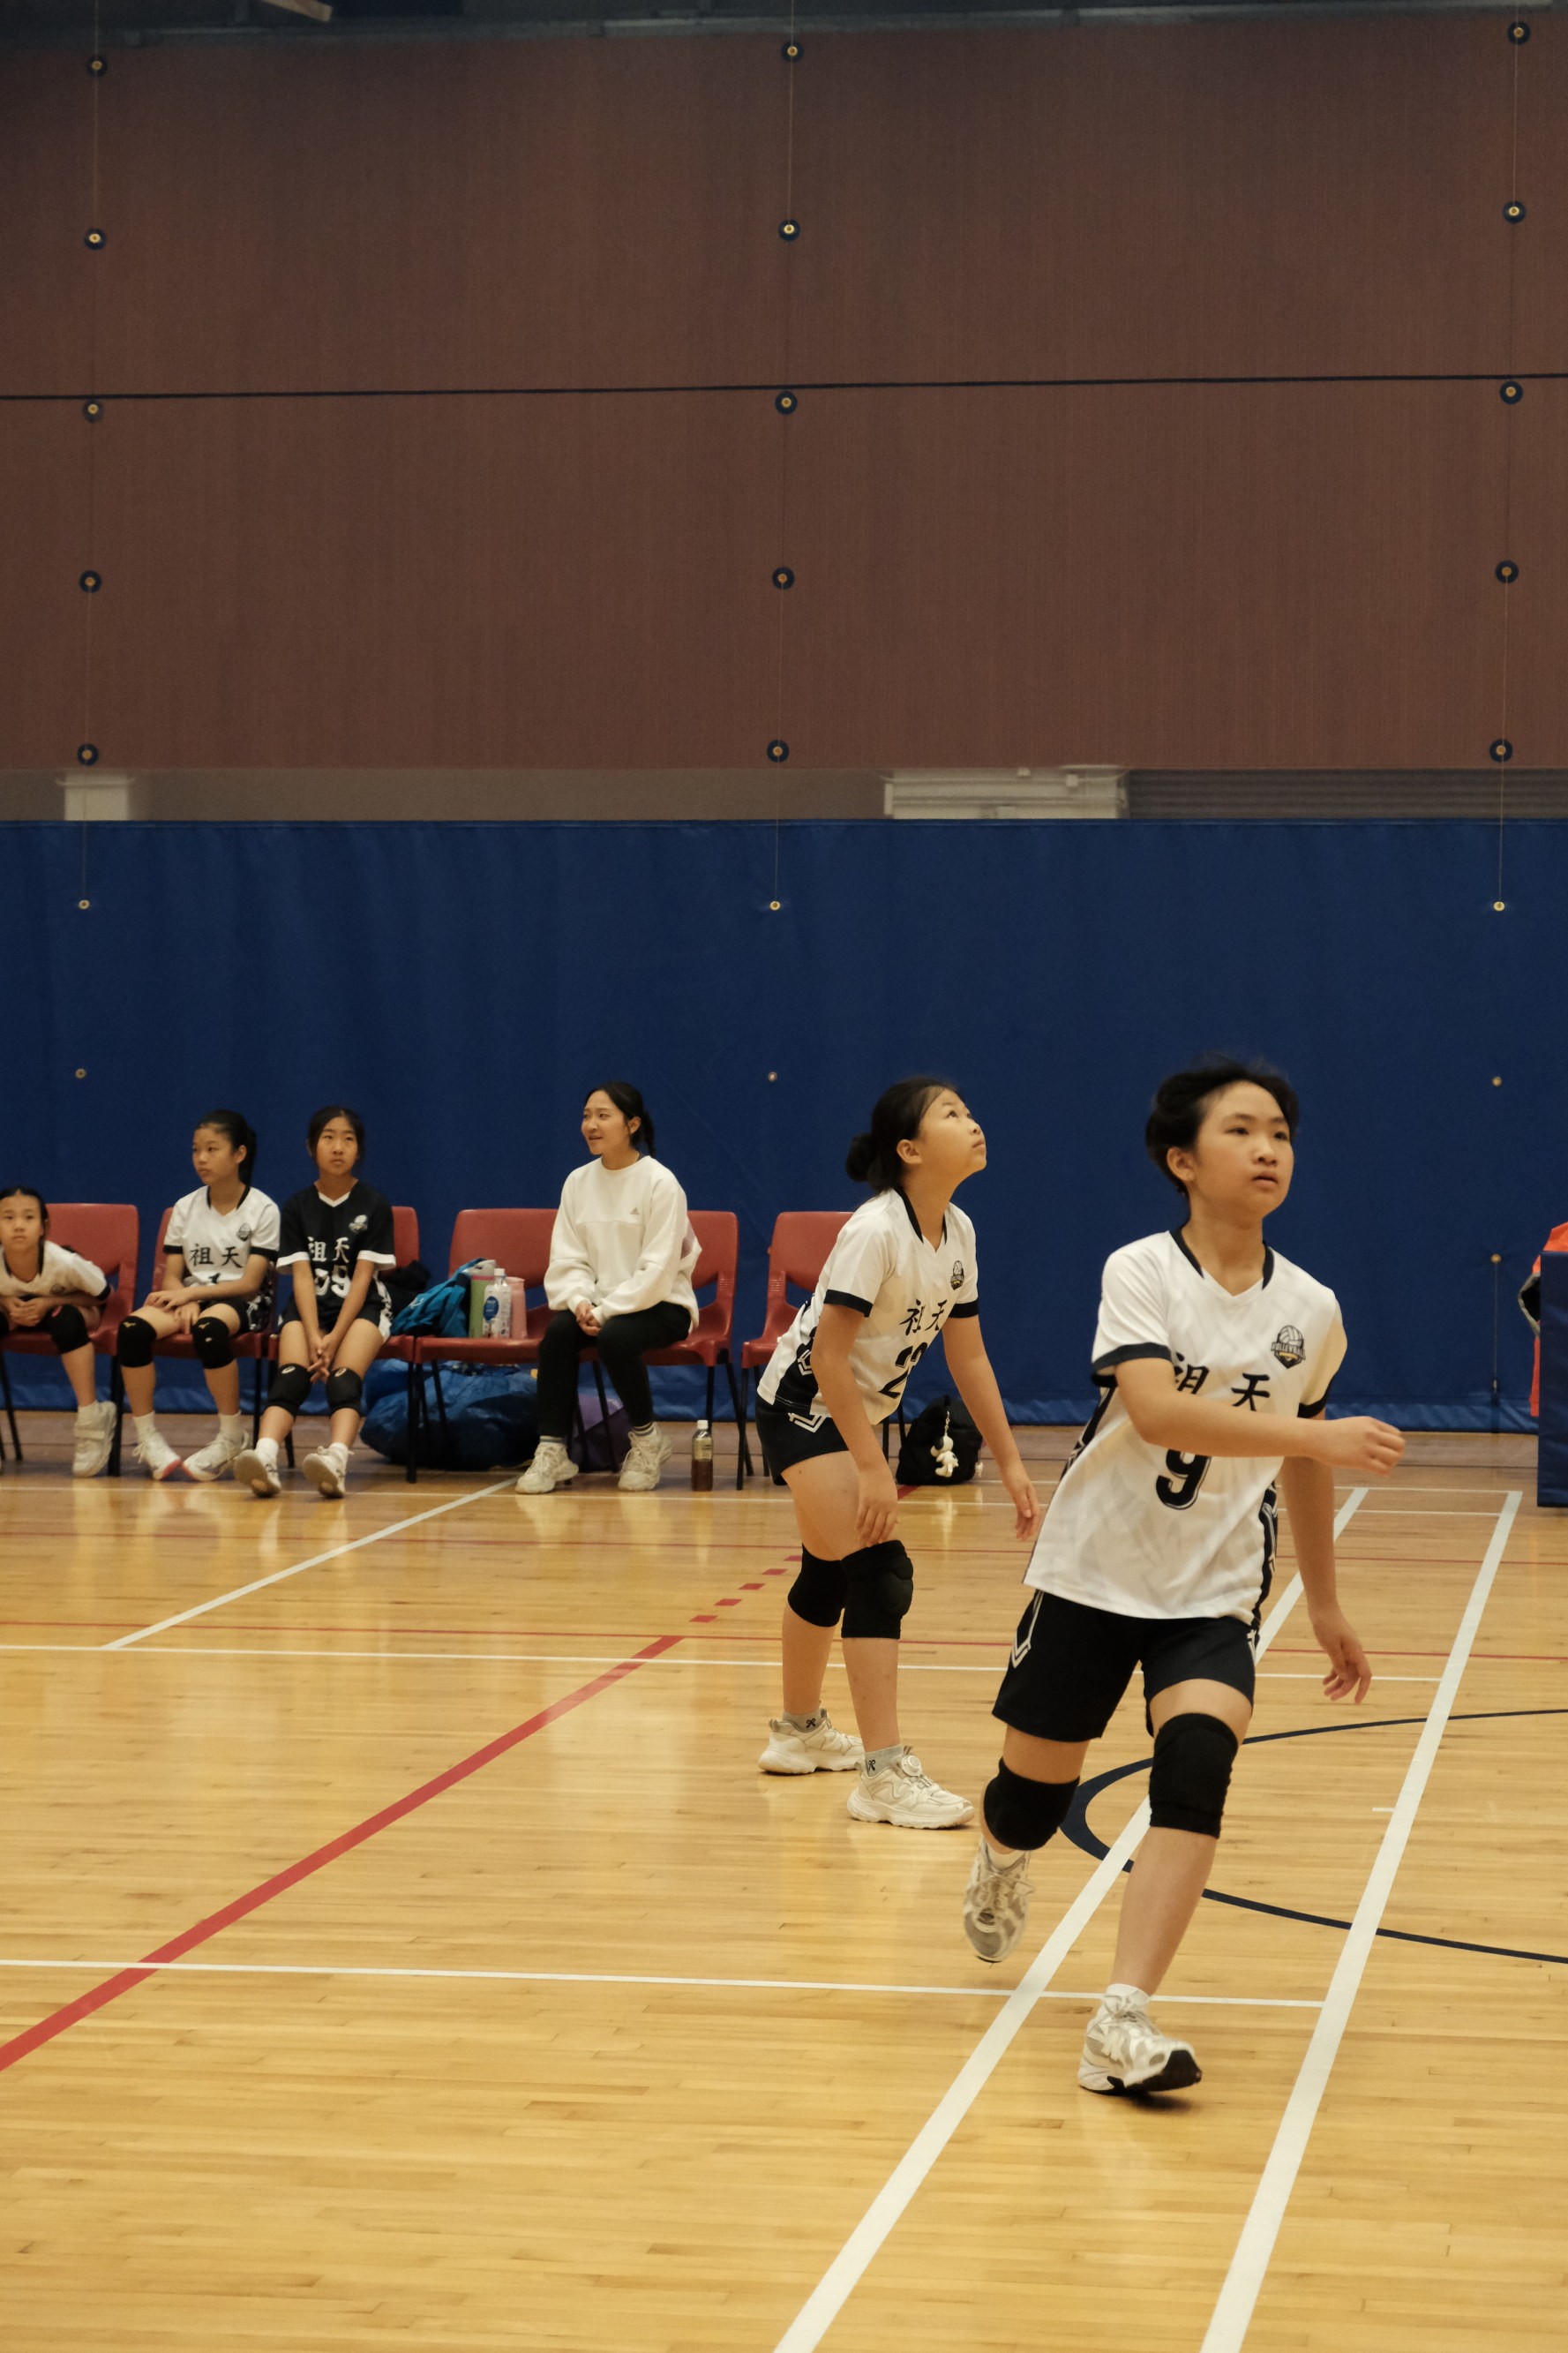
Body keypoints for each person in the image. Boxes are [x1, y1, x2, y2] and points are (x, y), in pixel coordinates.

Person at [960, 1056, 1404, 2097]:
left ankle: (1122, 2014)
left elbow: (1299, 1462)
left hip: (1212, 1590)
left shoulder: (1312, 1307)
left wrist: (1325, 1601)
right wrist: (1316, 1431)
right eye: (1241, 1130)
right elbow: (1157, 1410)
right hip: (1091, 1571)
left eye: (1280, 1133)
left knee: (1197, 1762)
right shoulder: (1142, 1270)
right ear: (1182, 1159)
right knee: (1030, 1800)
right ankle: (1001, 1854)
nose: (1267, 1148)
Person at [753, 1078, 1040, 1830]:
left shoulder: (958, 1231)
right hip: (803, 1406)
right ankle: (881, 1776)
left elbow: (968, 1357)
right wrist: (871, 1467)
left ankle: (798, 1732)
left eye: (969, 1109)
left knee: (827, 1570)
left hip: (847, 1412)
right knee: (879, 1574)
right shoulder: (874, 1231)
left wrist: (1010, 1461)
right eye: (952, 1113)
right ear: (909, 1149)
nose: (972, 1121)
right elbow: (827, 1357)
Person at [518, 1083, 699, 1495]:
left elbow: (658, 1270)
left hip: (663, 1303)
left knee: (616, 1338)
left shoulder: (661, 1183)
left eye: (603, 1116)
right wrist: (580, 1300)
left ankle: (648, 1440)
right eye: (586, 1116)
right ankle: (552, 1449)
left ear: (631, 1124)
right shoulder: (577, 1182)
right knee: (558, 1336)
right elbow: (567, 1258)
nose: (591, 1125)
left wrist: (605, 1311)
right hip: (598, 1304)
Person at [235, 1106, 394, 1500]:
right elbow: (302, 1277)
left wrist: (334, 1337)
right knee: (291, 1376)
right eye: (328, 1138)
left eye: (348, 1139)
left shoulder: (374, 1204)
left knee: (343, 1379)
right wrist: (312, 1334)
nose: (338, 1147)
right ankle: (264, 1456)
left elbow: (362, 1278)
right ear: (311, 1147)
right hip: (309, 1310)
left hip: (362, 1308)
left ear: (359, 1149)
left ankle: (336, 1461)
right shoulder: (297, 1206)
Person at [114, 1110, 280, 1482]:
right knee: (131, 1331)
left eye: (211, 1149)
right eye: (195, 1150)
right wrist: (186, 1298)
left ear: (239, 1154)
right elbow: (173, 1276)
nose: (201, 1158)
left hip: (245, 1302)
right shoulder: (185, 1207)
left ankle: (232, 1435)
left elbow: (251, 1283)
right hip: (191, 1296)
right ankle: (148, 1438)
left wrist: (195, 1295)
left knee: (209, 1330)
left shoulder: (263, 1209)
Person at [0, 1186, 116, 1477]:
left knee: (65, 1320)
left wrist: (50, 1301)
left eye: (28, 1217)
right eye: (8, 1217)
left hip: (73, 1309)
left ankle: (92, 1417)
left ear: (44, 1227)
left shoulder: (65, 1262)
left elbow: (104, 1295)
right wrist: (5, 1301)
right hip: (18, 1314)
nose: (18, 1225)